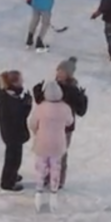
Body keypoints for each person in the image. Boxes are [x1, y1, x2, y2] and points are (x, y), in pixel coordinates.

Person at [32, 58, 88, 189]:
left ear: (69, 74)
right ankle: (46, 176)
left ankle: (58, 180)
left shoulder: (72, 89)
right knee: (46, 152)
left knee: (60, 153)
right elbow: (43, 103)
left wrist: (82, 99)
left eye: (62, 71)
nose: (59, 73)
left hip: (65, 127)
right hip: (48, 125)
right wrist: (38, 92)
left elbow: (81, 111)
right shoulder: (53, 85)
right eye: (58, 70)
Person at [29, 79, 74, 212]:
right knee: (56, 167)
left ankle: (39, 190)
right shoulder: (65, 108)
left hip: (42, 142)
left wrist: (37, 131)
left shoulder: (41, 107)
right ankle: (54, 191)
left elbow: (32, 123)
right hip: (58, 143)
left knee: (41, 166)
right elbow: (69, 122)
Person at [0, 70, 32, 192]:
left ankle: (12, 175)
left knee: (13, 157)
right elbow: (19, 115)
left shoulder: (8, 95)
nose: (22, 83)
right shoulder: (9, 98)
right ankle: (7, 182)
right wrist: (27, 105)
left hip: (11, 132)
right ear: (14, 83)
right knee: (13, 159)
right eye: (20, 81)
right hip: (13, 133)